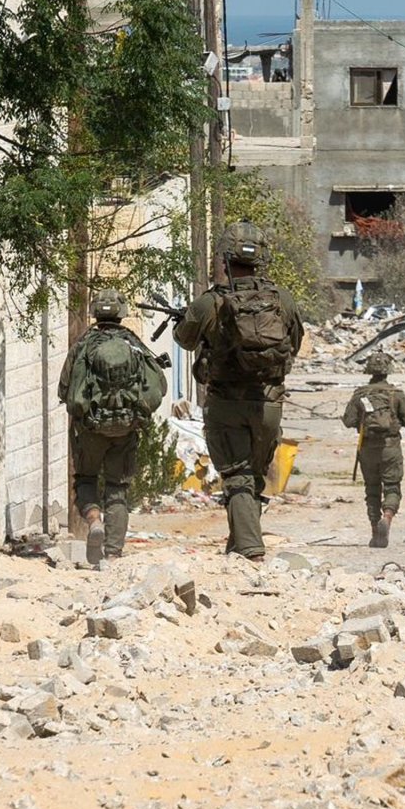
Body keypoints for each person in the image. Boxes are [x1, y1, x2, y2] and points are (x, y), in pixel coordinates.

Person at [173, 222, 305, 563]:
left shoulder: (210, 302)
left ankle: (250, 551)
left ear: (225, 259)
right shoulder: (282, 300)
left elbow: (184, 340)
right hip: (268, 404)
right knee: (253, 478)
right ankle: (240, 544)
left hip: (225, 404)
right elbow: (295, 344)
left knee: (237, 476)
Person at [58, 289, 166, 568]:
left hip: (90, 430)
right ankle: (114, 553)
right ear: (122, 314)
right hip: (126, 430)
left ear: (95, 312)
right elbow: (158, 387)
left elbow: (65, 388)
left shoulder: (83, 345)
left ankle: (94, 520)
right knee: (118, 488)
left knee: (85, 479)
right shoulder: (134, 345)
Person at [342, 351, 405, 547]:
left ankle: (376, 533)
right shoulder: (396, 395)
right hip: (390, 447)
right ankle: (388, 516)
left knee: (372, 489)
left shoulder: (360, 395)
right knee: (392, 487)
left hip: (366, 448)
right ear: (388, 371)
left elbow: (348, 421)